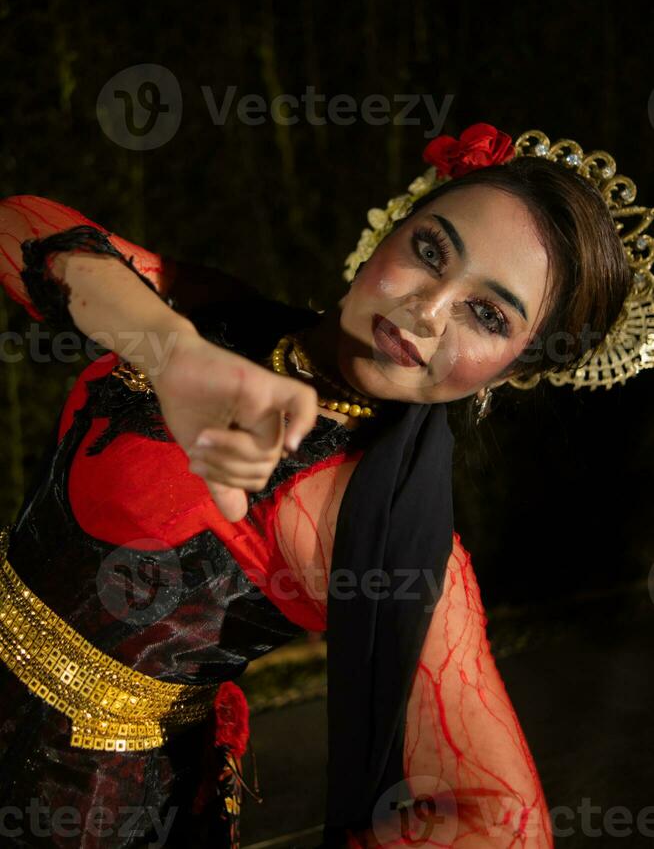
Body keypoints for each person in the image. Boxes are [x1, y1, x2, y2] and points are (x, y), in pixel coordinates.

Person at [0, 123, 649, 849]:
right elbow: (21, 224)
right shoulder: (224, 317)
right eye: (430, 251)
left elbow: (500, 824)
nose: (427, 311)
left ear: (516, 370)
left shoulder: (362, 512)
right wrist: (170, 346)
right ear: (390, 228)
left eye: (489, 315)